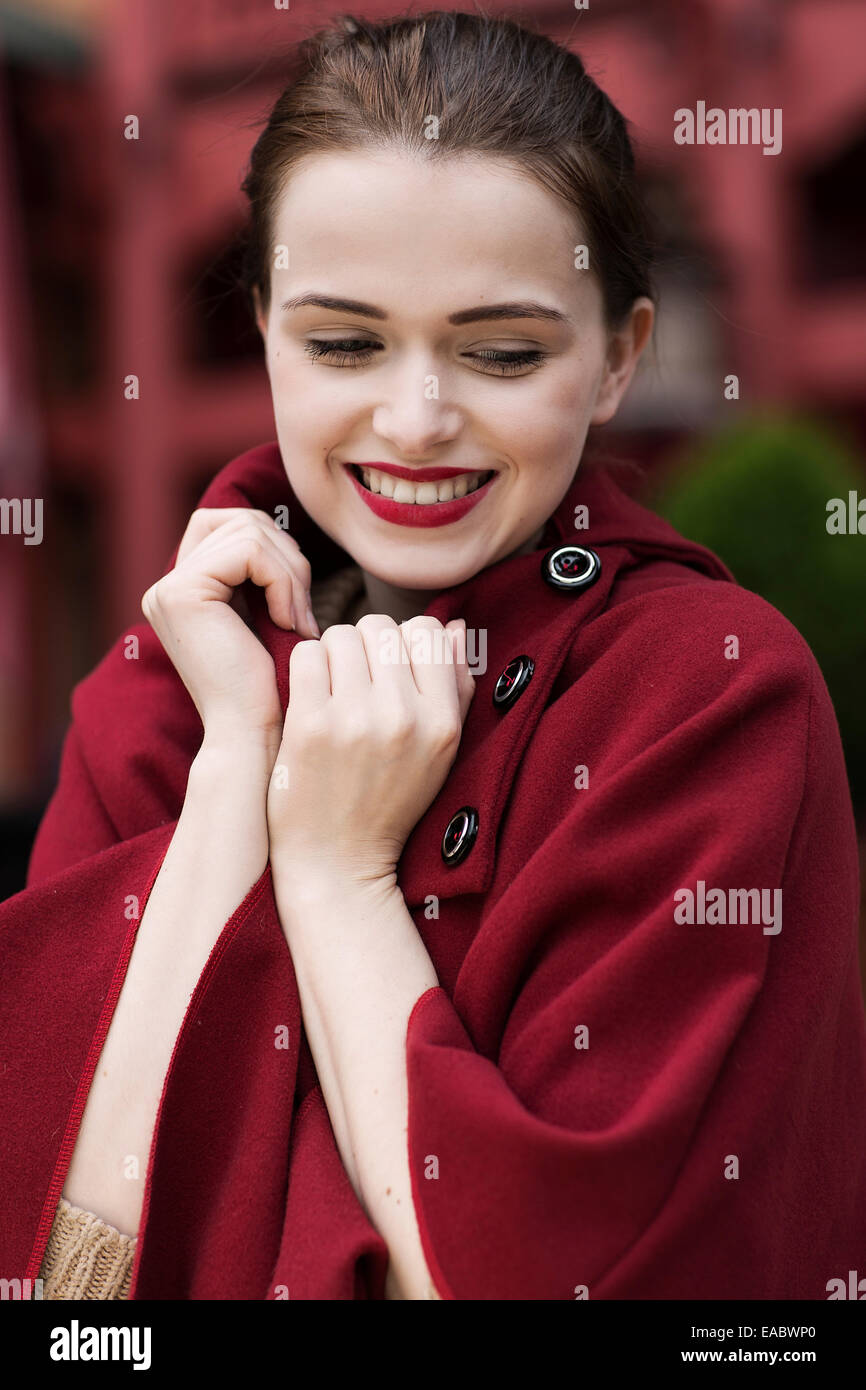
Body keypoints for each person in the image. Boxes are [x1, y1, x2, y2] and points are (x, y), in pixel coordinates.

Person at [4, 10, 865, 1302]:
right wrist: (245, 760)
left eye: (501, 352)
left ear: (619, 356)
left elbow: (549, 1279)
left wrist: (344, 872)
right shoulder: (166, 683)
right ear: (263, 327)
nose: (414, 422)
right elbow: (68, 1262)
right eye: (342, 342)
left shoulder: (710, 690)